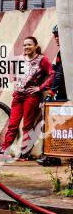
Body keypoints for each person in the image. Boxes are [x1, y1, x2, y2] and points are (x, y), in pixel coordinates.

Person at [0, 36, 52, 158]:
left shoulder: (42, 60)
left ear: (36, 46)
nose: (26, 47)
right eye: (24, 45)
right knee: (13, 124)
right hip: (17, 97)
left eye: (29, 44)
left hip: (31, 97)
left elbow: (53, 74)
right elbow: (11, 69)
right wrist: (13, 79)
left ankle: (24, 154)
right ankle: (4, 151)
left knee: (27, 126)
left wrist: (40, 88)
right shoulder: (19, 59)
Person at [37, 25, 66, 166]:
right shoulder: (62, 52)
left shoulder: (67, 51)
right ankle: (53, 155)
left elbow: (60, 75)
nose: (56, 38)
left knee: (55, 124)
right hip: (63, 94)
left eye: (58, 35)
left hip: (65, 96)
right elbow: (56, 73)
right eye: (54, 35)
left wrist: (50, 94)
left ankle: (52, 156)